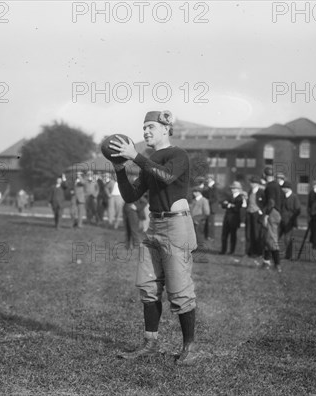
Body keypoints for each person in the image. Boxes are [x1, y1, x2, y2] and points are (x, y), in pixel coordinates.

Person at [109, 110, 200, 365]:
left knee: (179, 290)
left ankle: (189, 348)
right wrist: (120, 170)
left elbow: (167, 176)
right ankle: (150, 344)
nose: (146, 131)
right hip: (154, 225)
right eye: (143, 127)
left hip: (176, 225)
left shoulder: (177, 154)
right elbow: (130, 196)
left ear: (165, 128)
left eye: (150, 126)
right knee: (148, 287)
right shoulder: (149, 160)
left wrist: (135, 156)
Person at [220, 181, 246, 255]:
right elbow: (223, 205)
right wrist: (230, 205)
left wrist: (228, 204)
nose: (232, 189)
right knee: (224, 235)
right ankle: (223, 250)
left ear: (238, 189)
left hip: (234, 219)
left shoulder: (240, 198)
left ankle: (232, 251)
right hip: (227, 218)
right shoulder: (229, 196)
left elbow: (237, 208)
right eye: (232, 188)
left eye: (234, 188)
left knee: (233, 236)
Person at [280, 180, 301, 261]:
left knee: (288, 239)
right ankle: (271, 254)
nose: (283, 189)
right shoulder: (282, 196)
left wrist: (292, 218)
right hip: (280, 220)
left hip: (289, 221)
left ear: (288, 188)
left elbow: (298, 210)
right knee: (276, 237)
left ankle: (289, 255)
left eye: (284, 188)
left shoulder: (294, 197)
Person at [245, 176, 265, 259]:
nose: (252, 184)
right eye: (251, 182)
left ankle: (258, 252)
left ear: (257, 184)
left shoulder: (261, 192)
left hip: (257, 213)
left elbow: (264, 203)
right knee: (249, 233)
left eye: (253, 183)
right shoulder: (250, 191)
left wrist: (261, 211)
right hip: (249, 213)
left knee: (257, 233)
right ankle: (249, 252)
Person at [189, 186, 210, 262]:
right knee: (194, 239)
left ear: (199, 192)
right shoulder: (194, 200)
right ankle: (196, 256)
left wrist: (198, 220)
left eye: (195, 192)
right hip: (193, 222)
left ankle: (202, 257)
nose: (193, 193)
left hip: (199, 222)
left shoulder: (204, 200)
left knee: (200, 239)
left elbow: (206, 213)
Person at [261, 198, 282, 271]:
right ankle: (267, 263)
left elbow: (265, 223)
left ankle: (276, 265)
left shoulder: (272, 212)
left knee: (273, 247)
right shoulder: (272, 212)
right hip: (271, 232)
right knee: (269, 247)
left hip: (271, 232)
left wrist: (266, 219)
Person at [202, 175, 218, 241]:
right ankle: (207, 236)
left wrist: (207, 201)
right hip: (208, 206)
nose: (207, 180)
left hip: (212, 207)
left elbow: (215, 198)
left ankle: (211, 236)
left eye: (208, 179)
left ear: (211, 179)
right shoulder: (208, 187)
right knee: (207, 222)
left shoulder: (215, 187)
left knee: (211, 222)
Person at [307, 179, 316, 251]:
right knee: (313, 229)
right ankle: (314, 243)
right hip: (312, 213)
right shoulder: (311, 193)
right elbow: (309, 203)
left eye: (315, 185)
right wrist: (309, 212)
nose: (314, 186)